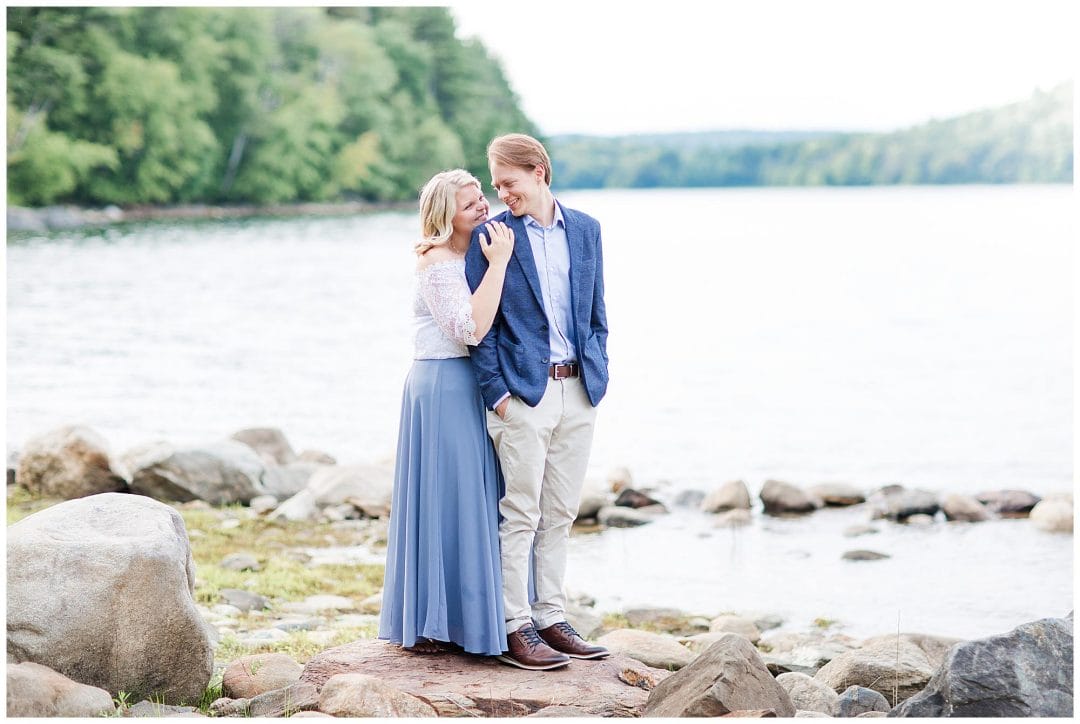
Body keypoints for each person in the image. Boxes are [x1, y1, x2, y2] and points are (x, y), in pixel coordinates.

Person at [464, 133, 610, 670]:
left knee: (561, 512)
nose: (503, 194)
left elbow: (596, 314)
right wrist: (497, 396)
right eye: (497, 185)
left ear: (539, 172)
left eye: (510, 182)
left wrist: (598, 374)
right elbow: (481, 330)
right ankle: (514, 625)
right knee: (520, 512)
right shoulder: (492, 237)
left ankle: (552, 616)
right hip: (523, 396)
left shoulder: (588, 231)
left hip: (580, 390)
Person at [378, 169, 515, 656]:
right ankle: (437, 623)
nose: (482, 206)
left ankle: (476, 618)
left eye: (482, 196)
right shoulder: (437, 260)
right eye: (469, 203)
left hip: (468, 385)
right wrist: (498, 264)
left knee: (473, 499)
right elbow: (468, 328)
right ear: (444, 216)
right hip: (440, 384)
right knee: (444, 500)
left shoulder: (468, 252)